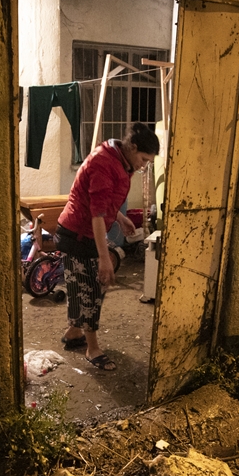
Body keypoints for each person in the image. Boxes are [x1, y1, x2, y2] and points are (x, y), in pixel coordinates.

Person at [55, 122, 159, 372]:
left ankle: (73, 332)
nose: (143, 165)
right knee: (92, 289)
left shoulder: (123, 160)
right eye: (143, 159)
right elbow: (97, 214)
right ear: (132, 147)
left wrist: (121, 218)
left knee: (80, 286)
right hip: (78, 235)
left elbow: (106, 201)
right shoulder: (104, 162)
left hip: (81, 231)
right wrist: (103, 257)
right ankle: (92, 349)